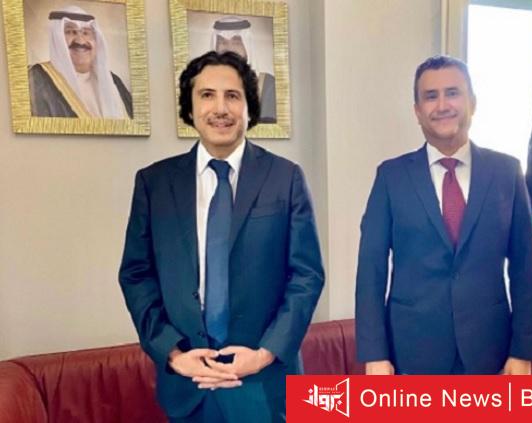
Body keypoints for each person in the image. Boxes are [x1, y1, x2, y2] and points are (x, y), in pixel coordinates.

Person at [118, 50, 324, 422]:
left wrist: (263, 354)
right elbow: (136, 275)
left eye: (232, 96)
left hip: (265, 382)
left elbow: (307, 276)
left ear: (249, 107)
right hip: (188, 384)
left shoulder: (285, 177)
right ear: (190, 107)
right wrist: (173, 354)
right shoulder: (154, 183)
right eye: (207, 95)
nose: (220, 108)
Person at [355, 55, 532, 375]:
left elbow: (525, 266)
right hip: (411, 354)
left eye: (452, 93)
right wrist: (374, 354)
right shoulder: (391, 177)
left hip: (491, 354)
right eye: (431, 96)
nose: (442, 105)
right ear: (417, 111)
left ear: (472, 102)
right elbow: (371, 270)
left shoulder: (506, 172)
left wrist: (523, 350)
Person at [28, 5, 132, 118]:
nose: (80, 41)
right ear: (57, 38)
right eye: (70, 32)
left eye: (86, 33)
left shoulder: (114, 81)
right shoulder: (36, 79)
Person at [211, 16, 276, 124]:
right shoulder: (203, 86)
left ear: (247, 47)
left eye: (236, 42)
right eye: (222, 42)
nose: (229, 49)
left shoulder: (267, 84)